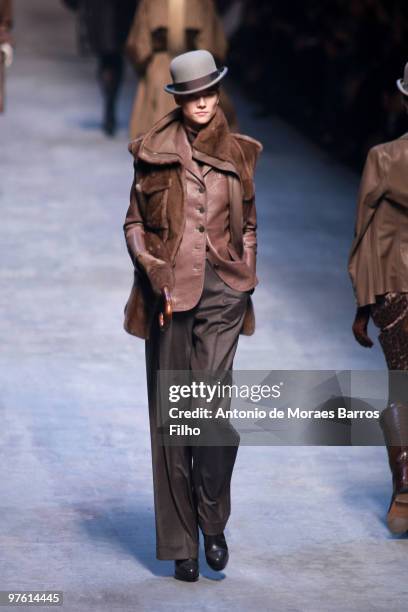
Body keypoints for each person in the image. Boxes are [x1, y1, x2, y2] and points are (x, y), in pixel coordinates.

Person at [123, 49, 262, 580]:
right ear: (179, 100)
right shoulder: (152, 153)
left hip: (223, 296)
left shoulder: (242, 154)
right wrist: (153, 268)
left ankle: (213, 519)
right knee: (172, 424)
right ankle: (182, 544)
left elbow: (249, 221)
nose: (202, 102)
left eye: (209, 92)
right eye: (192, 95)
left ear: (218, 93)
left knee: (210, 418)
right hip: (169, 300)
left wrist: (246, 271)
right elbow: (133, 223)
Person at [349, 61, 408, 536]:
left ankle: (405, 491)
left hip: (396, 289)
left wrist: (362, 304)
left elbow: (365, 233)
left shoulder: (384, 159)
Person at [125, 0, 237, 138]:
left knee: (158, 131)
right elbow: (212, 44)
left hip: (160, 69)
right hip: (195, 67)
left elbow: (139, 45)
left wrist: (143, 67)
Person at [62, 0, 137, 136]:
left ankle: (109, 102)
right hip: (123, 8)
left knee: (106, 58)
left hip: (98, 8)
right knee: (114, 56)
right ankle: (111, 102)